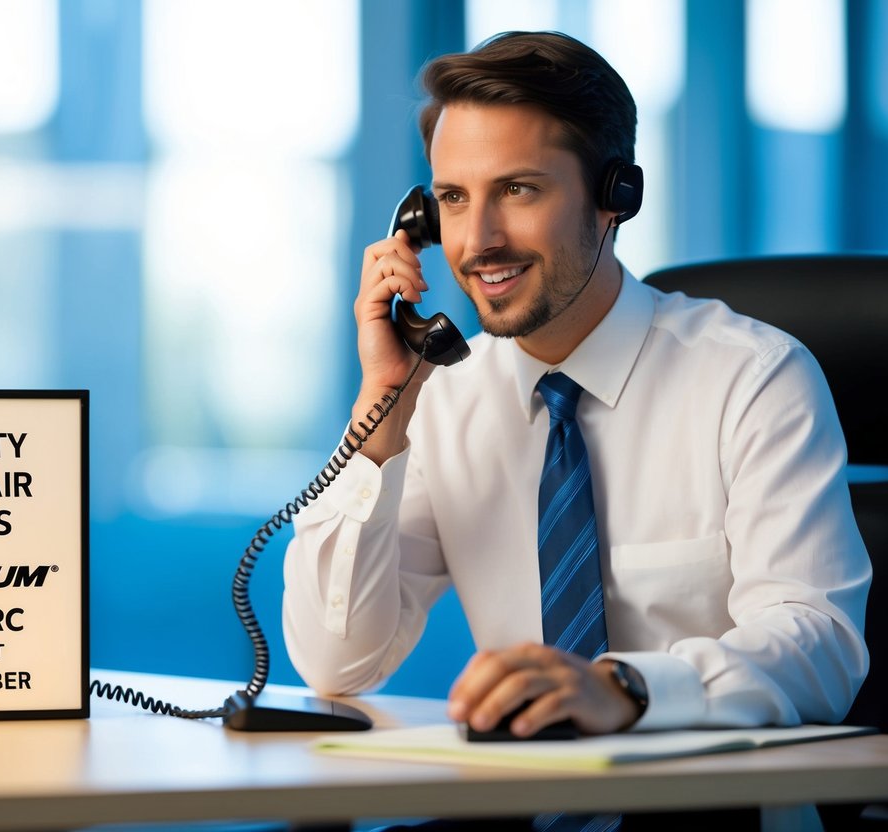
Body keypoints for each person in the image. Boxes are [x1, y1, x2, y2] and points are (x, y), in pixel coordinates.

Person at [281, 30, 870, 830]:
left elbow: (820, 644)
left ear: (613, 195)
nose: (477, 239)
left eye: (517, 190)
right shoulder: (444, 397)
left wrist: (626, 689)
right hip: (511, 814)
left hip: (712, 819)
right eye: (452, 198)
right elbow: (337, 662)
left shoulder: (752, 377)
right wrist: (379, 416)